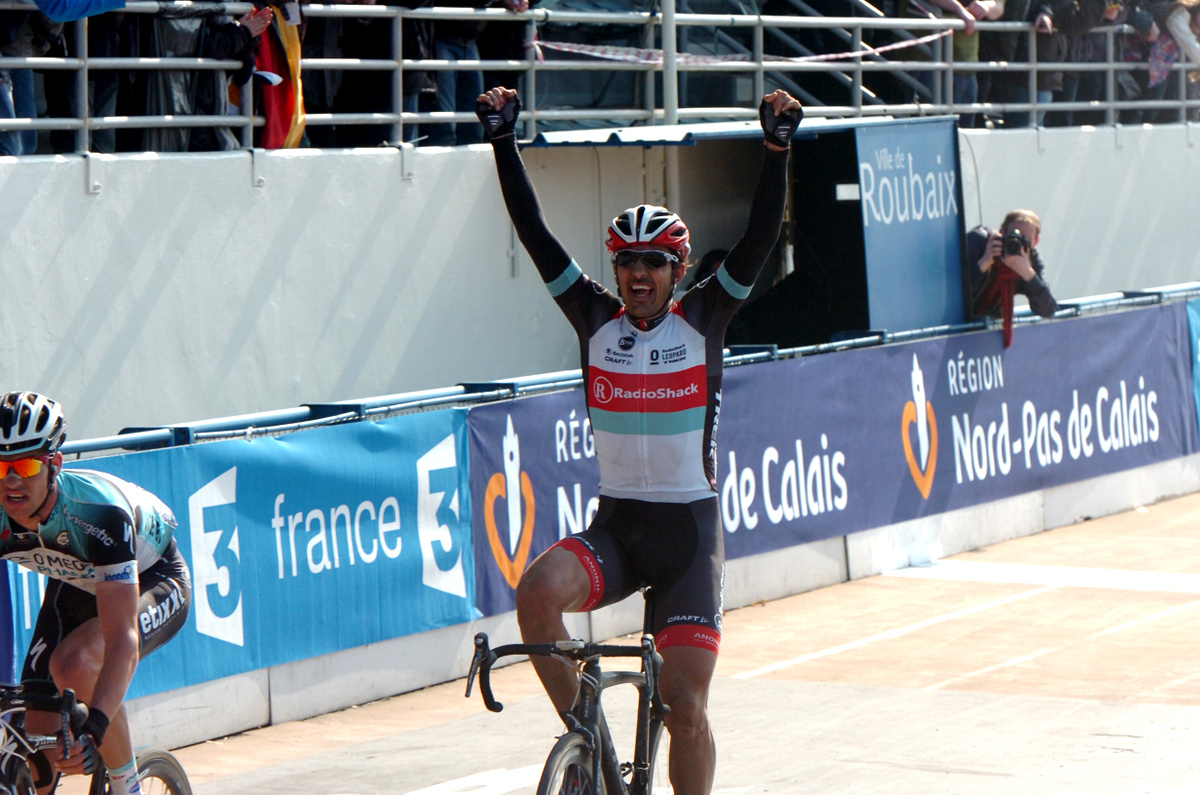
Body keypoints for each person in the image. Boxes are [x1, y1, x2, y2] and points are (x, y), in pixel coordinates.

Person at [475, 85, 801, 795]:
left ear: (678, 271)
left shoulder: (705, 318)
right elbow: (537, 235)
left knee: (685, 708)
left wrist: (775, 150)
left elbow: (758, 239)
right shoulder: (595, 319)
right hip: (618, 527)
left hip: (688, 533)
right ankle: (592, 748)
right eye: (628, 261)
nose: (640, 274)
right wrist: (503, 141)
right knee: (536, 594)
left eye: (654, 262)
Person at [0, 392, 191, 795]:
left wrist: (95, 727)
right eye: (0, 467)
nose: (11, 480)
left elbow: (123, 641)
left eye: (25, 465)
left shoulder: (97, 513)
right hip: (74, 581)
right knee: (39, 746)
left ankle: (126, 785)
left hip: (150, 576)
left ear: (55, 465)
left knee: (77, 661)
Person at [965, 209, 1058, 346]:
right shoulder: (980, 242)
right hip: (961, 325)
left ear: (1035, 242)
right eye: (1014, 236)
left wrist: (1028, 274)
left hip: (988, 335)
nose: (1018, 245)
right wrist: (984, 263)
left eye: (1025, 240)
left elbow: (1047, 310)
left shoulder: (1030, 259)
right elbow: (953, 295)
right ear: (1001, 232)